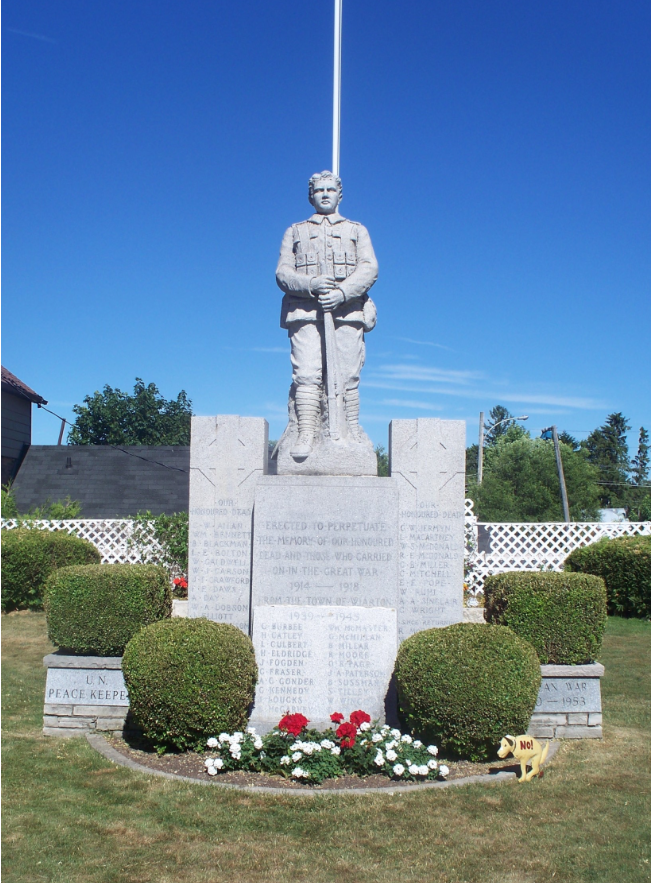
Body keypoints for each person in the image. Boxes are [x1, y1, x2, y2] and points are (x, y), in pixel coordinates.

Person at [276, 171, 378, 457]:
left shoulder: (357, 230)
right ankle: (306, 431)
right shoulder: (294, 231)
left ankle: (351, 428)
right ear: (311, 195)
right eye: (319, 190)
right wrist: (311, 285)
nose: (324, 194)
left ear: (339, 194)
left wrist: (342, 293)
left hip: (347, 312)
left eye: (330, 190)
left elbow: (369, 268)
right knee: (306, 375)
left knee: (348, 376)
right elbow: (282, 273)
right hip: (304, 313)